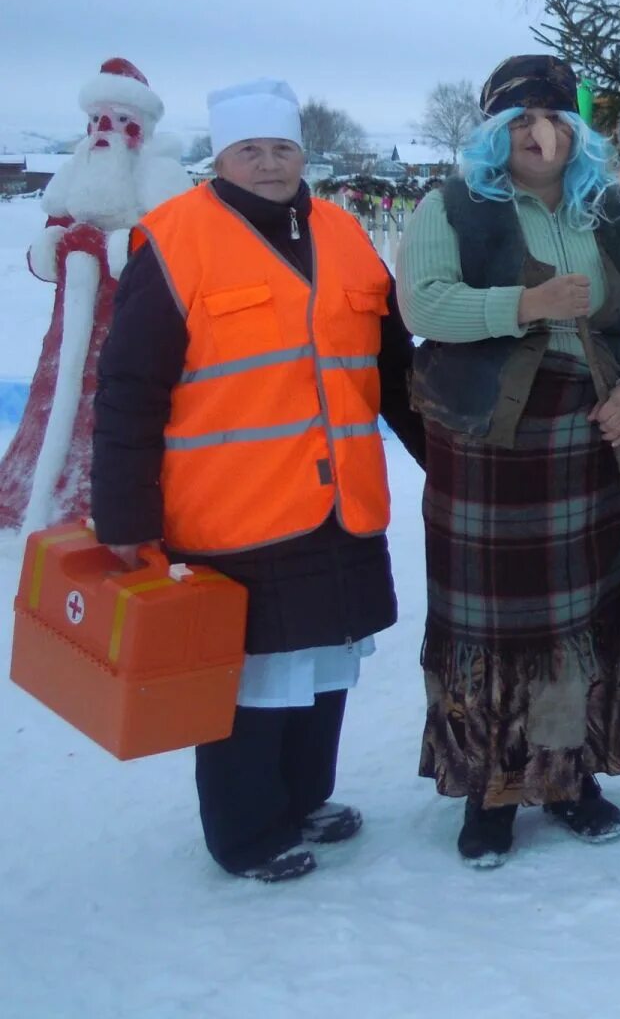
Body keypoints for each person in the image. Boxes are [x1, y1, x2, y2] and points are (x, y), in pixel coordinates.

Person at [91, 77, 425, 883]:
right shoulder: (173, 241)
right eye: (252, 150)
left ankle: (305, 797)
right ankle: (244, 834)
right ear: (222, 157)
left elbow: (389, 368)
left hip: (340, 504)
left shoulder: (344, 231)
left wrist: (446, 459)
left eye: (283, 149)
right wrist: (123, 513)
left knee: (325, 663)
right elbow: (130, 386)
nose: (270, 164)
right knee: (251, 681)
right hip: (233, 510)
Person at [397, 54, 620, 869]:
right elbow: (423, 303)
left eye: (555, 119)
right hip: (489, 441)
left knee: (579, 625)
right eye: (520, 121)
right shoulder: (451, 207)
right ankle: (490, 789)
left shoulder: (617, 213)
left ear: (576, 132)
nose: (539, 135)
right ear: (495, 133)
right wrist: (523, 304)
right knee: (486, 630)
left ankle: (567, 777)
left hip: (594, 435)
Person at [1, 58, 188, 533]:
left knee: (118, 417)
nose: (105, 132)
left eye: (120, 122)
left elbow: (175, 252)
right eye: (97, 121)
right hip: (64, 341)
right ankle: (33, 495)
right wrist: (55, 249)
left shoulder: (160, 182)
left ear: (140, 129)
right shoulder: (75, 178)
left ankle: (108, 503)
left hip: (135, 336)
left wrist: (112, 251)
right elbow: (44, 255)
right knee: (52, 410)